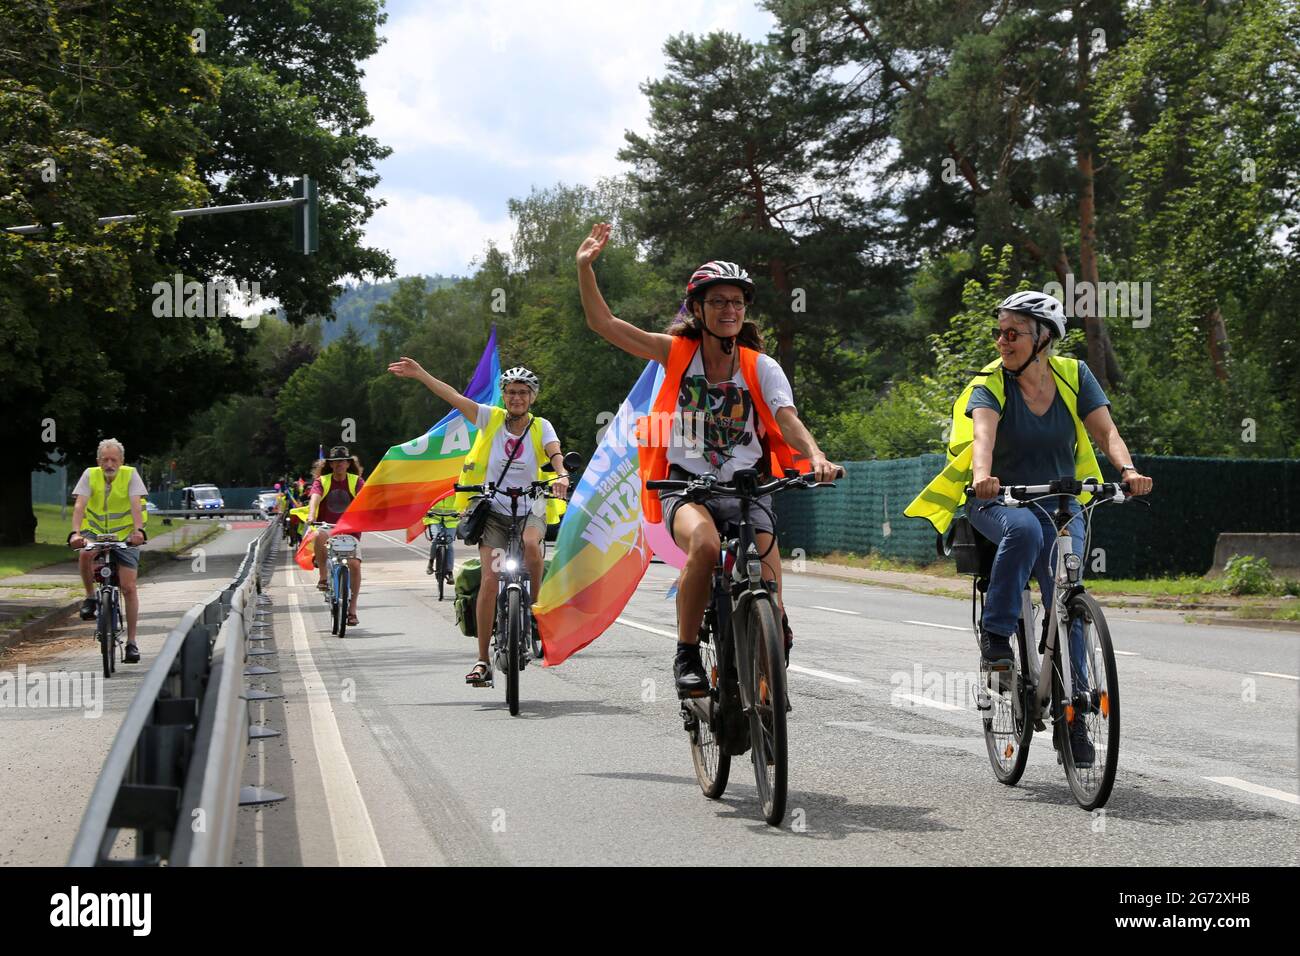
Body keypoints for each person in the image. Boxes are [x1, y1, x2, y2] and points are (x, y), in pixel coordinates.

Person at [576, 223, 839, 698]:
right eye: (718, 301)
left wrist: (816, 455)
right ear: (697, 310)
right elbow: (604, 325)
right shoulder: (675, 352)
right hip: (686, 486)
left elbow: (787, 418)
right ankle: (688, 653)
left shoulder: (762, 366)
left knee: (771, 588)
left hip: (746, 487)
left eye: (737, 302)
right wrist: (584, 268)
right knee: (703, 544)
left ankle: (763, 680)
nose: (729, 310)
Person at [907, 290, 1152, 765]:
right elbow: (983, 434)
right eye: (999, 331)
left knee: (1069, 600)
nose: (1002, 341)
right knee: (1025, 532)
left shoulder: (1074, 375)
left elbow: (1106, 432)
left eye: (1013, 332)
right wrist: (982, 476)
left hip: (1062, 502)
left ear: (1043, 339)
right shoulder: (991, 383)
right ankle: (997, 639)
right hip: (999, 500)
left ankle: (1074, 716)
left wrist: (1126, 471)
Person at [388, 358, 569, 686]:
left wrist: (562, 475)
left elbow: (555, 453)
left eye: (523, 393)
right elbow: (454, 398)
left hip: (531, 508)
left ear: (533, 397)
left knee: (531, 544)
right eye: (512, 392)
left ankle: (535, 611)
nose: (517, 398)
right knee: (490, 580)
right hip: (495, 513)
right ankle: (482, 660)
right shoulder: (491, 418)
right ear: (504, 395)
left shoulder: (542, 426)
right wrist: (421, 373)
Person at [67, 438, 149, 663]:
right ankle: (91, 597)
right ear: (98, 461)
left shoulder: (130, 475)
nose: (109, 463)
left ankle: (131, 643)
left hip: (125, 534)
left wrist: (138, 532)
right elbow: (79, 506)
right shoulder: (89, 475)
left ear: (121, 461)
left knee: (129, 588)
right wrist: (75, 534)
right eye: (105, 459)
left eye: (114, 459)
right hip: (94, 531)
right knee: (84, 553)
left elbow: (135, 505)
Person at [307, 447, 365, 627]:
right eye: (335, 461)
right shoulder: (322, 481)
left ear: (348, 463)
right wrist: (311, 515)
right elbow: (314, 498)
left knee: (354, 564)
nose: (339, 464)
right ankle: (323, 577)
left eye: (343, 461)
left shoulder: (356, 481)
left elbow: (365, 499)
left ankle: (352, 611)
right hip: (327, 527)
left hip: (350, 529)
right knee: (319, 534)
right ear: (330, 464)